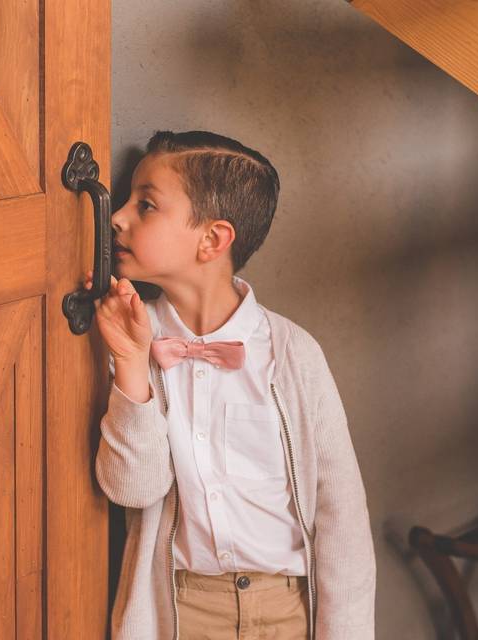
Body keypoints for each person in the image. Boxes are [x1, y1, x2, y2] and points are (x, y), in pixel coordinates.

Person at [84, 130, 375, 640]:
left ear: (213, 240)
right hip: (180, 612)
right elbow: (134, 490)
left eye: (146, 205)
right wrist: (131, 362)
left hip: (288, 612)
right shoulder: (128, 337)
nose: (117, 216)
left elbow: (342, 520)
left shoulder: (293, 354)